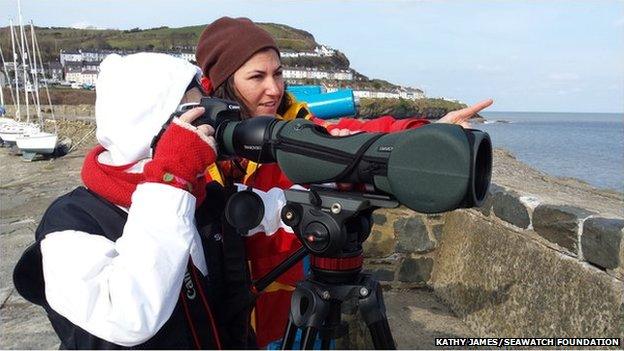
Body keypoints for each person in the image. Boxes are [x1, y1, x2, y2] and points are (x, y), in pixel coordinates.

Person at [193, 16, 494, 348]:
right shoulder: (192, 148)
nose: (274, 89)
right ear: (220, 85)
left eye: (278, 73)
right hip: (220, 317)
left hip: (289, 314)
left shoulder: (297, 130)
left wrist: (427, 134)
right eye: (257, 77)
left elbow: (351, 139)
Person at [13, 53, 256, 349]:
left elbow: (274, 211)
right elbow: (131, 316)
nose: (206, 123)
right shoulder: (70, 225)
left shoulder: (202, 199)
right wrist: (171, 175)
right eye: (194, 112)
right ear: (149, 126)